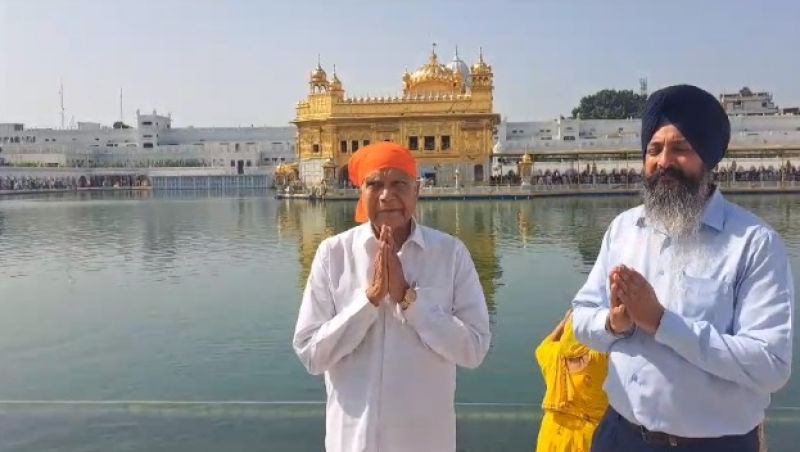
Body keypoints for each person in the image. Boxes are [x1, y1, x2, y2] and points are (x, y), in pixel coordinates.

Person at [571, 84, 793, 451]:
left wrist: (661, 322)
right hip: (622, 435)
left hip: (715, 444)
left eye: (681, 149)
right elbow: (581, 318)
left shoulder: (753, 244)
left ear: (707, 156)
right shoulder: (625, 230)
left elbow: (770, 364)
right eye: (654, 150)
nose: (664, 162)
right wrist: (615, 323)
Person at [293, 141, 491, 452]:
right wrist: (368, 301)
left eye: (399, 183)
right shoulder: (334, 255)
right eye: (375, 184)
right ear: (361, 192)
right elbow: (310, 354)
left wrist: (408, 299)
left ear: (417, 190)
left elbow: (474, 349)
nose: (387, 195)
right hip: (352, 442)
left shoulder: (449, 254)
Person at [535, 309, 608, 452]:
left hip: (551, 435)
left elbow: (548, 342)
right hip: (588, 438)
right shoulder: (600, 359)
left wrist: (567, 319)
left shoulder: (551, 354)